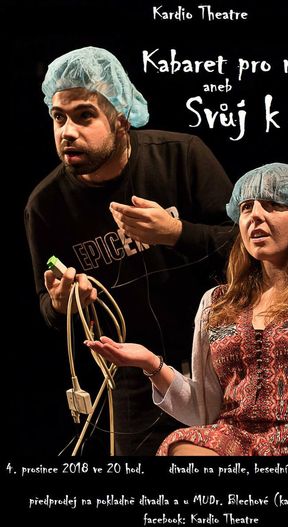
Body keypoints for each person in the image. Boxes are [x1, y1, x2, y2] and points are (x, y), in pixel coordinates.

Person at [86, 162, 288, 456]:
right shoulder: (217, 301)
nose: (255, 216)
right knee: (181, 444)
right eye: (246, 207)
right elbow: (203, 410)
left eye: (272, 205)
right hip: (231, 441)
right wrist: (151, 364)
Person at [24, 46, 235, 455]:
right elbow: (47, 307)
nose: (67, 131)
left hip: (221, 361)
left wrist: (177, 233)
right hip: (134, 380)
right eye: (58, 117)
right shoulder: (45, 206)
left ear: (120, 118)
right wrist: (62, 303)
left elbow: (248, 250)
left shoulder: (181, 156)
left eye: (84, 116)